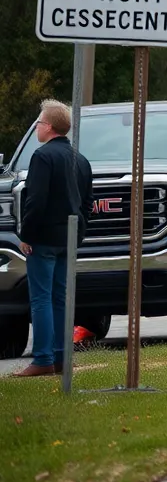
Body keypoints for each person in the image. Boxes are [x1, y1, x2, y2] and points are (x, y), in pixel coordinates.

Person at [12, 99, 92, 378]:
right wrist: (79, 235)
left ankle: (43, 358)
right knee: (61, 298)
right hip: (68, 239)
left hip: (43, 238)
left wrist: (26, 235)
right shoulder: (79, 159)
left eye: (39, 122)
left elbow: (35, 200)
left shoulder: (42, 156)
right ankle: (62, 358)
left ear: (49, 127)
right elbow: (86, 204)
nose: (36, 126)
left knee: (41, 299)